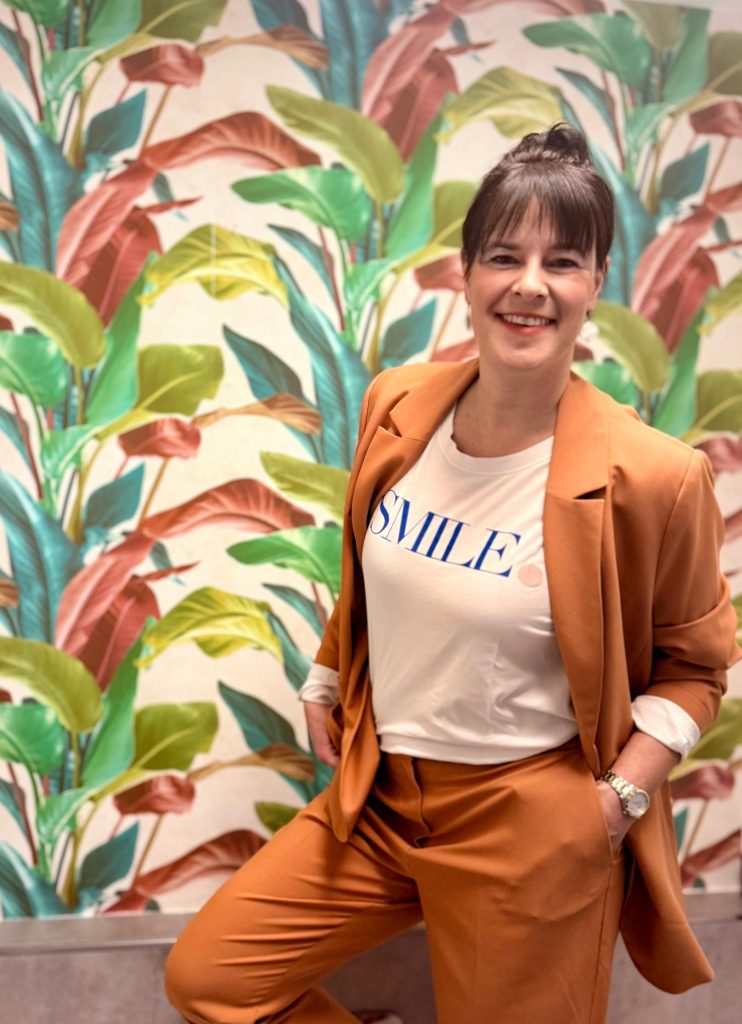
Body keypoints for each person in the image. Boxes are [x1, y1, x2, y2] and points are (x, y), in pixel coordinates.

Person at [164, 124, 739, 1024]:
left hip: (530, 819)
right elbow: (373, 564)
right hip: (381, 797)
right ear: (465, 273)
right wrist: (328, 672)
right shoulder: (398, 402)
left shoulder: (656, 476)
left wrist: (615, 803)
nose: (529, 285)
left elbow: (696, 670)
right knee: (212, 980)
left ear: (595, 283)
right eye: (504, 256)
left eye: (562, 262)